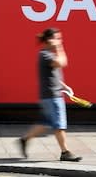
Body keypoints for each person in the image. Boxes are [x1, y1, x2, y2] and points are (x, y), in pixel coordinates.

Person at [18, 27, 82, 162]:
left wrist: (65, 86)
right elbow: (62, 62)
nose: (60, 41)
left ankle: (24, 140)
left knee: (44, 123)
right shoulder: (45, 54)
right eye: (57, 38)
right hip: (52, 96)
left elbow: (52, 75)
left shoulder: (46, 54)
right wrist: (60, 47)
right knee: (59, 125)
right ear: (49, 40)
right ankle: (65, 152)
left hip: (50, 94)